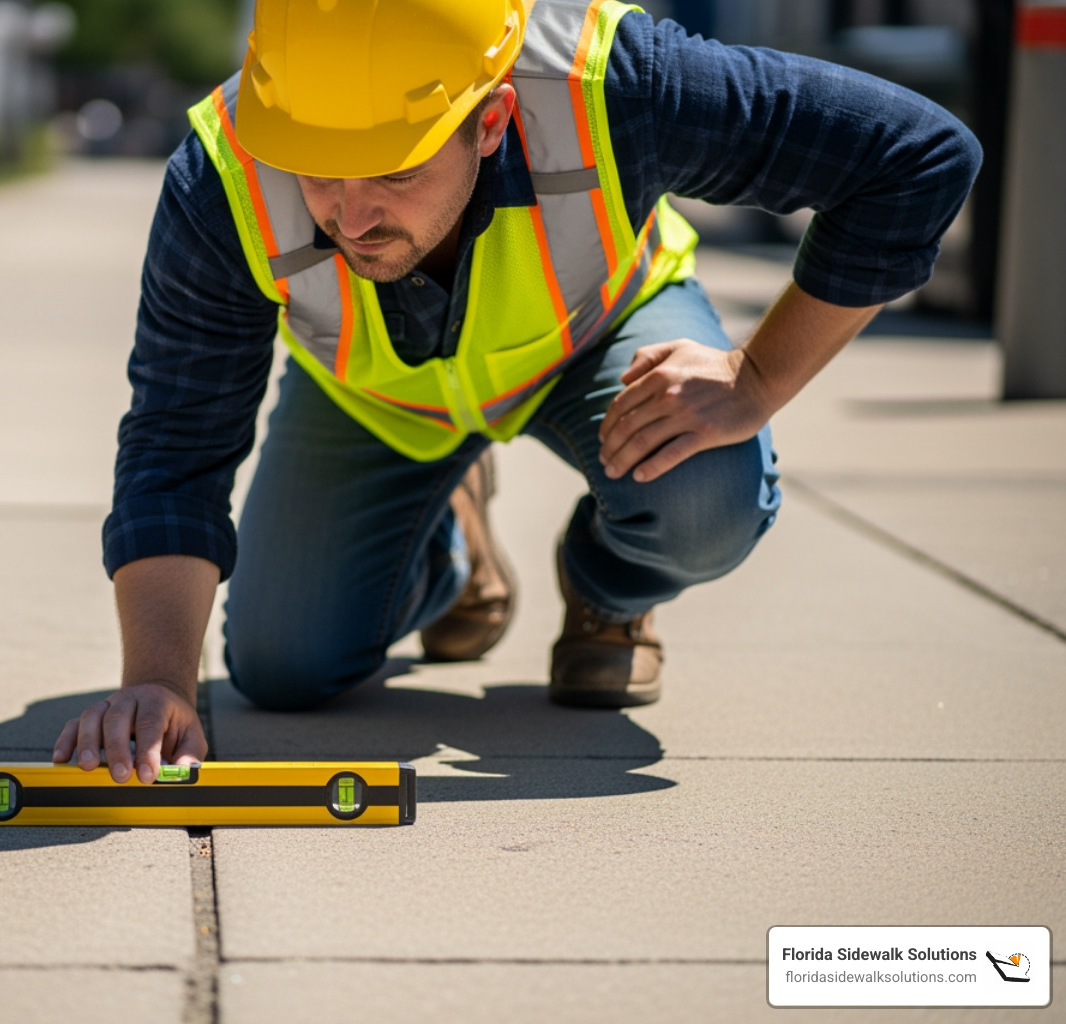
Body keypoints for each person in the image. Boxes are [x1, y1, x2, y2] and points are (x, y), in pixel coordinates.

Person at [51, 0, 980, 784]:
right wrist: (162, 681)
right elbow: (178, 438)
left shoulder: (613, 84)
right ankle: (449, 543)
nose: (352, 213)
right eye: (321, 171)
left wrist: (758, 377)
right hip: (382, 399)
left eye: (397, 168)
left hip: (598, 335)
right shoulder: (225, 170)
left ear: (491, 119)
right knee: (284, 668)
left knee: (705, 494)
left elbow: (917, 154)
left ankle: (611, 592)